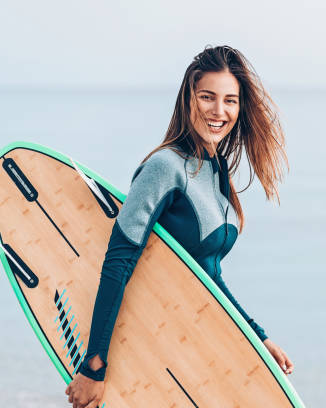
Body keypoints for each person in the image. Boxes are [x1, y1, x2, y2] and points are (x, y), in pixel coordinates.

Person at [65, 45, 294, 408]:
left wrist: (256, 336)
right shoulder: (164, 168)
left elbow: (209, 276)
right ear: (189, 99)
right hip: (150, 346)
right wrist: (94, 367)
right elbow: (119, 261)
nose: (220, 111)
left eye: (230, 100)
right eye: (208, 97)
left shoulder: (216, 172)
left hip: (190, 347)